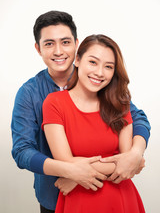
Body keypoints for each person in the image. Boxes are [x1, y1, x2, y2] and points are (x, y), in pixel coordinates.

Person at [11, 11, 150, 213]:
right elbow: (22, 151)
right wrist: (69, 173)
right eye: (49, 44)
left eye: (65, 42)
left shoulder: (98, 82)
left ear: (76, 46)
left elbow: (136, 119)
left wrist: (135, 154)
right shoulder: (30, 94)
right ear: (38, 49)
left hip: (113, 194)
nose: (58, 51)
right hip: (55, 195)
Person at [42, 34, 146, 212]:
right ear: (77, 60)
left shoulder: (120, 104)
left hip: (120, 198)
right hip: (78, 201)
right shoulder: (54, 103)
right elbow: (64, 161)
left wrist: (73, 176)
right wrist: (127, 161)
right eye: (93, 62)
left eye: (108, 67)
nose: (99, 72)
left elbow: (126, 163)